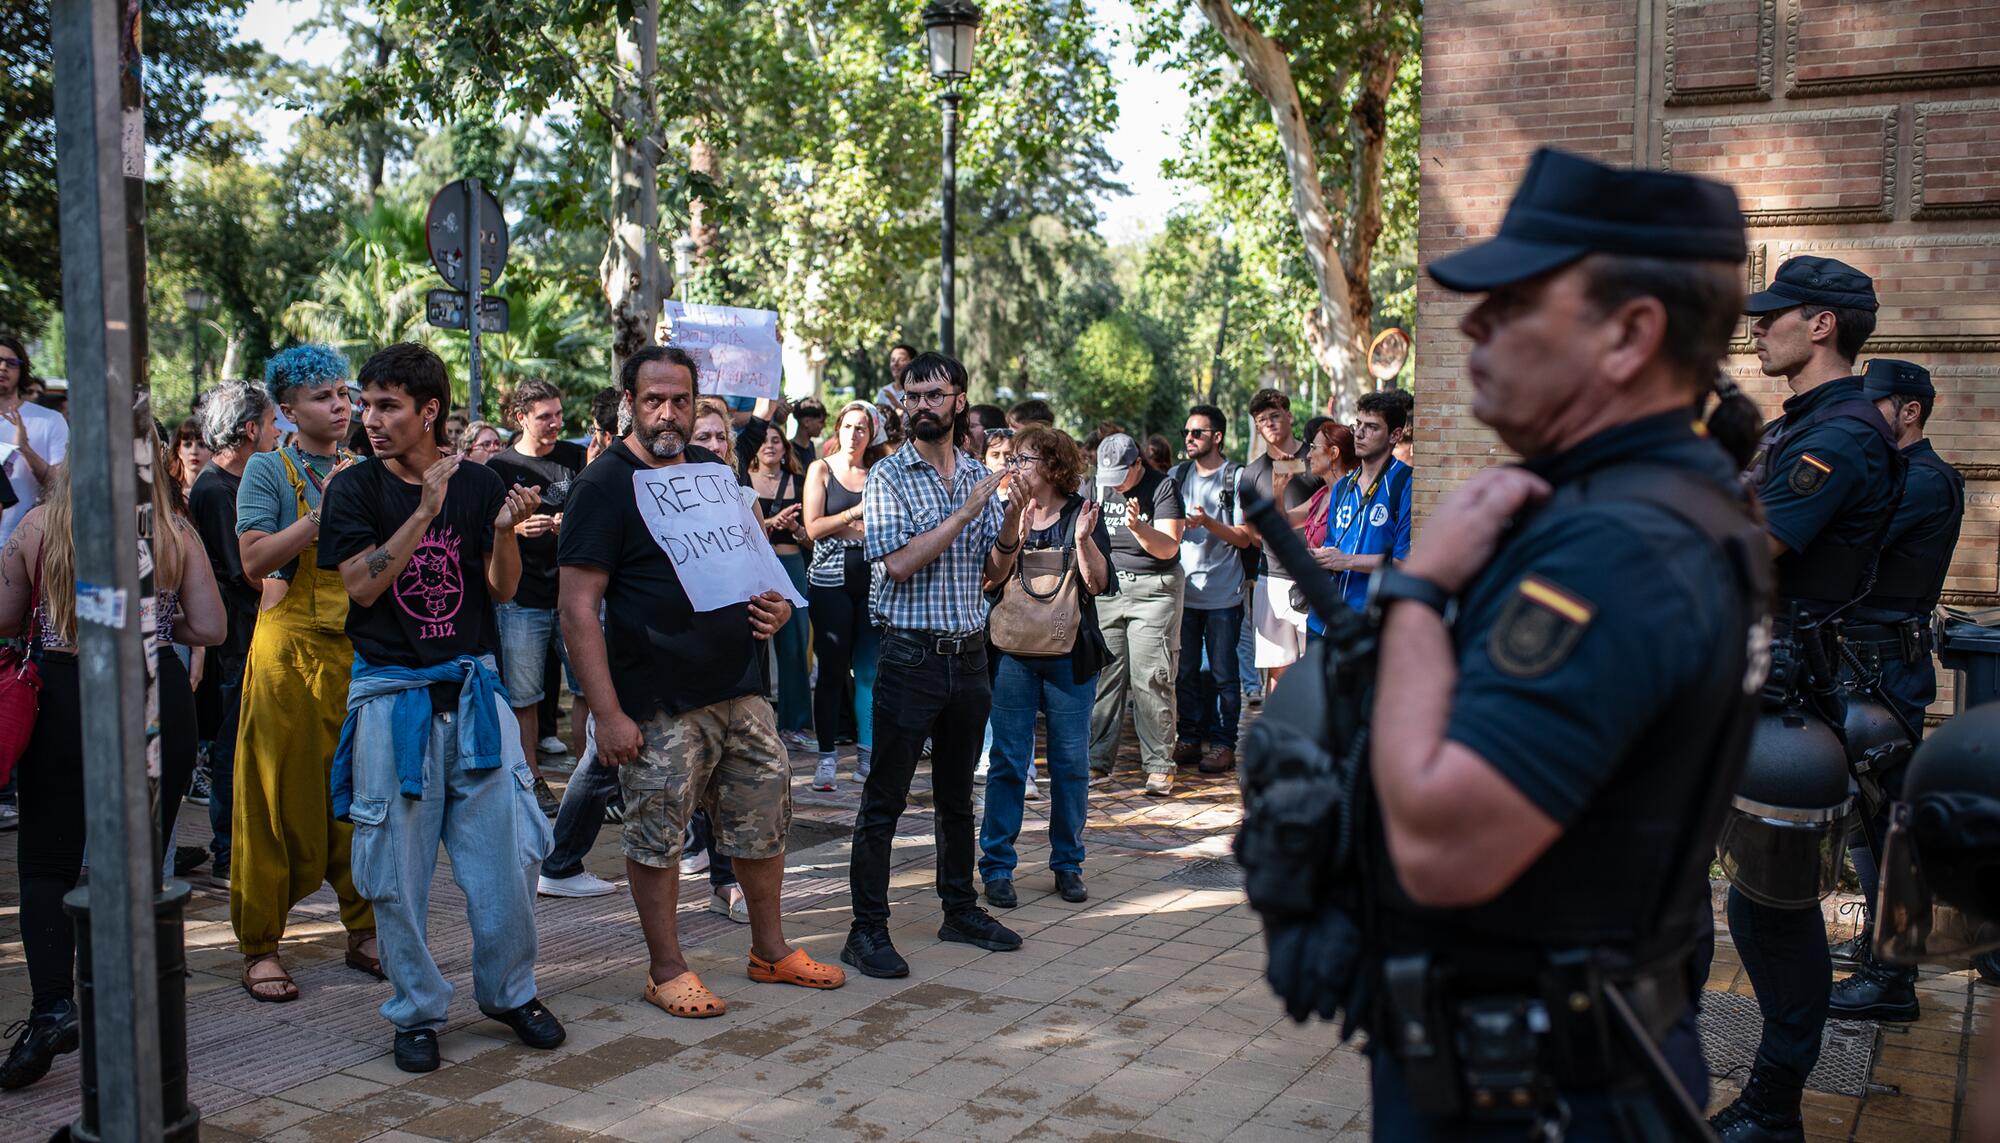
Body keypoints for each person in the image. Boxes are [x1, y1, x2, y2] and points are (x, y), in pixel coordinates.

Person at [1364, 146, 1771, 1137]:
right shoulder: (1667, 502)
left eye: (1511, 305)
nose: (1471, 328)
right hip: (1554, 1054)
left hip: (1540, 1088)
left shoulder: (1617, 546)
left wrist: (1415, 591)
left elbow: (1439, 842)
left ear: (1629, 334)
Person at [559, 344, 843, 1020]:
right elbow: (576, 607)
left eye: (680, 399)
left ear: (696, 402)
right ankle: (666, 969)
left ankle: (769, 950)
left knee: (763, 811)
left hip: (739, 687)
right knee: (656, 832)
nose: (667, 412)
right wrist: (608, 713)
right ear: (629, 401)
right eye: (653, 399)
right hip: (656, 702)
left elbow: (751, 565)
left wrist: (775, 606)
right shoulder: (603, 483)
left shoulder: (713, 471)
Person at [319, 343, 562, 1074]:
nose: (371, 419)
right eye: (366, 405)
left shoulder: (482, 481)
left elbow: (501, 589)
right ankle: (417, 1009)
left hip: (475, 693)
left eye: (388, 405)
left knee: (513, 856)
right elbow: (361, 586)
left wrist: (499, 533)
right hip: (393, 698)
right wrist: (424, 509)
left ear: (430, 411)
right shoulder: (354, 488)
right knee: (393, 868)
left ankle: (510, 992)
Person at [1712, 255, 1902, 1142]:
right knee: (1738, 901)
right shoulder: (1802, 425)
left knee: (1773, 912)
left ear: (1821, 324)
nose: (1758, 329)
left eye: (1772, 315)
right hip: (1746, 680)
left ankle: (1772, 1104)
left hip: (1785, 696)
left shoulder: (1844, 433)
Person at [0, 450, 225, 1088]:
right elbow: (210, 628)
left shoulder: (39, 527)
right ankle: (130, 1011)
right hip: (157, 697)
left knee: (48, 860)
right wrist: (160, 613)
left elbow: (3, 616)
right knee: (140, 866)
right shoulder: (176, 533)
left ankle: (53, 1008)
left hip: (68, 697)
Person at [844, 350, 1021, 979]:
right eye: (912, 395)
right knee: (884, 799)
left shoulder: (978, 473)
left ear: (958, 401)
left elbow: (994, 576)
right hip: (909, 654)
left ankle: (959, 909)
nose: (921, 405)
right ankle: (865, 930)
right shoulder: (888, 477)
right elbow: (898, 563)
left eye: (934, 395)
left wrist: (1013, 520)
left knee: (956, 796)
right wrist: (970, 511)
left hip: (969, 655)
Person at [230, 345, 383, 1000]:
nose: (341, 405)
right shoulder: (269, 469)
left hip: (356, 652)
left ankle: (365, 928)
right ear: (288, 410)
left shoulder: (366, 469)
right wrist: (322, 515)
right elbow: (254, 560)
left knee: (361, 796)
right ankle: (261, 944)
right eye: (324, 396)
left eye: (344, 394)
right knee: (272, 800)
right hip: (286, 657)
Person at [1823, 358, 1966, 1028]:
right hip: (1864, 662)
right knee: (1867, 820)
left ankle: (1893, 978)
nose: (1865, 420)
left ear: (1909, 409)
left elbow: (1852, 550)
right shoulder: (1902, 475)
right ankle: (1883, 949)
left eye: (1876, 406)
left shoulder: (1925, 480)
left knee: (1889, 826)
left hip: (1884, 669)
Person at [978, 426, 1113, 908]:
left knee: (1070, 765)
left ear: (1054, 465)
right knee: (1009, 762)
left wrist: (1082, 542)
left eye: (1026, 459)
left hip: (1069, 655)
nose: (1015, 467)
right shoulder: (1003, 510)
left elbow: (1098, 584)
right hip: (1013, 652)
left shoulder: (1082, 513)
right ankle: (996, 867)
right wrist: (1013, 517)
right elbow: (991, 580)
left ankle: (1067, 864)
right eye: (1012, 458)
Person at [536, 387, 633, 899]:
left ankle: (696, 852)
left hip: (660, 649)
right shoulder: (602, 480)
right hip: (614, 636)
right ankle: (560, 861)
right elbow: (579, 604)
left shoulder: (691, 475)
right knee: (603, 748)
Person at [189, 382, 281, 883]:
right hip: (233, 637)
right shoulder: (216, 489)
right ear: (250, 430)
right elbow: (248, 572)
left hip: (246, 630)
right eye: (270, 424)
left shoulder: (237, 483)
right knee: (231, 744)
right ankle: (228, 850)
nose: (276, 433)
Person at [486, 380, 586, 816]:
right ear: (521, 417)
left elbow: (595, 512)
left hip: (571, 594)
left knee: (587, 687)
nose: (555, 424)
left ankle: (590, 776)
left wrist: (572, 522)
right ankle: (533, 778)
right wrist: (513, 529)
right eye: (545, 416)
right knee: (524, 696)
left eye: (558, 415)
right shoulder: (498, 467)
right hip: (520, 598)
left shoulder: (573, 458)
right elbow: (486, 527)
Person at [1087, 433, 1186, 794]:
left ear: (1138, 464)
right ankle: (1096, 761)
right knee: (1105, 676)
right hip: (1108, 589)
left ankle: (1159, 763)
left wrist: (1139, 528)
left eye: (1122, 477)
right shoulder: (1095, 488)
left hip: (1154, 590)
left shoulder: (1164, 488)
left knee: (1151, 677)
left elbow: (1169, 546)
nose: (1115, 485)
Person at [803, 401, 887, 789]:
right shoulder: (821, 469)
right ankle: (826, 758)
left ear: (872, 434)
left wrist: (852, 528)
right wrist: (854, 516)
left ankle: (867, 756)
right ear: (838, 430)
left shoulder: (878, 473)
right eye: (849, 426)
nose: (855, 434)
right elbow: (814, 527)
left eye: (862, 428)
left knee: (869, 670)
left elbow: (885, 529)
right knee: (833, 669)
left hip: (872, 579)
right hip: (829, 579)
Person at [1170, 404, 1254, 778]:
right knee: (1186, 671)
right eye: (1187, 432)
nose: (1189, 438)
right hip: (1185, 593)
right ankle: (1189, 735)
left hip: (1223, 594)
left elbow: (1247, 537)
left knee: (1222, 672)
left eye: (1197, 433)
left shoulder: (1236, 478)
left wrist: (1208, 523)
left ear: (1216, 437)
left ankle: (1223, 743)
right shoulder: (1177, 475)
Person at [734, 419, 815, 749]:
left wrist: (795, 528)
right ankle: (755, 721)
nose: (769, 445)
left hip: (791, 563)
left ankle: (795, 724)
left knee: (795, 644)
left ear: (785, 448)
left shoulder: (799, 481)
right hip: (753, 566)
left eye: (776, 441)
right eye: (764, 440)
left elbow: (812, 537)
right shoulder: (742, 481)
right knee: (755, 642)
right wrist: (769, 523)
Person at [1237, 388, 1322, 684]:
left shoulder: (1316, 460)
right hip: (1273, 577)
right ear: (1257, 428)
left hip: (1317, 576)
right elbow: (1253, 532)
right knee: (1278, 669)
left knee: (1317, 667)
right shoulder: (1251, 473)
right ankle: (1276, 730)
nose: (1270, 423)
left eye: (1275, 415)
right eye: (1262, 420)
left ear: (1289, 415)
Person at [1313, 390, 1415, 621]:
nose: (1359, 433)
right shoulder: (1342, 487)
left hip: (1370, 619)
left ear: (1395, 435)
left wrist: (1347, 560)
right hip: (1325, 619)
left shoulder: (1406, 483)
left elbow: (1403, 561)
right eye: (1357, 424)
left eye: (1371, 427)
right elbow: (1332, 546)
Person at [0, 335, 68, 548]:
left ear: (22, 370)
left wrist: (25, 449)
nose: (2, 367)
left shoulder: (50, 420)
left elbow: (61, 488)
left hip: (31, 544)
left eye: (11, 363)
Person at [1292, 419, 1356, 549]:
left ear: (1333, 453)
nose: (1309, 455)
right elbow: (1284, 520)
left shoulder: (1353, 495)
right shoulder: (1322, 494)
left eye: (1313, 448)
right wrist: (1278, 487)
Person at [171, 417, 211, 501]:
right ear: (179, 451)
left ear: (212, 450)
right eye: (187, 445)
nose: (194, 451)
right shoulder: (168, 490)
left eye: (201, 445)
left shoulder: (222, 489)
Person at [789, 395, 826, 473]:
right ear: (806, 422)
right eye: (821, 422)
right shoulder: (789, 449)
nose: (823, 426)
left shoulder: (810, 446)